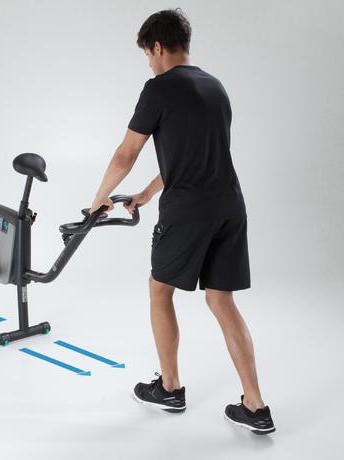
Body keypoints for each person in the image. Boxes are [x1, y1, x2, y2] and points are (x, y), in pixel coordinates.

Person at [88, 8, 275, 435]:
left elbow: (126, 154)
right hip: (230, 206)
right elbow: (194, 156)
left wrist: (97, 200)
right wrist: (147, 193)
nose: (149, 64)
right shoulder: (215, 87)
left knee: (160, 290)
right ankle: (255, 406)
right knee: (221, 300)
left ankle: (170, 388)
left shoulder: (159, 88)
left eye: (148, 55)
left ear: (158, 47)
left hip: (188, 211)